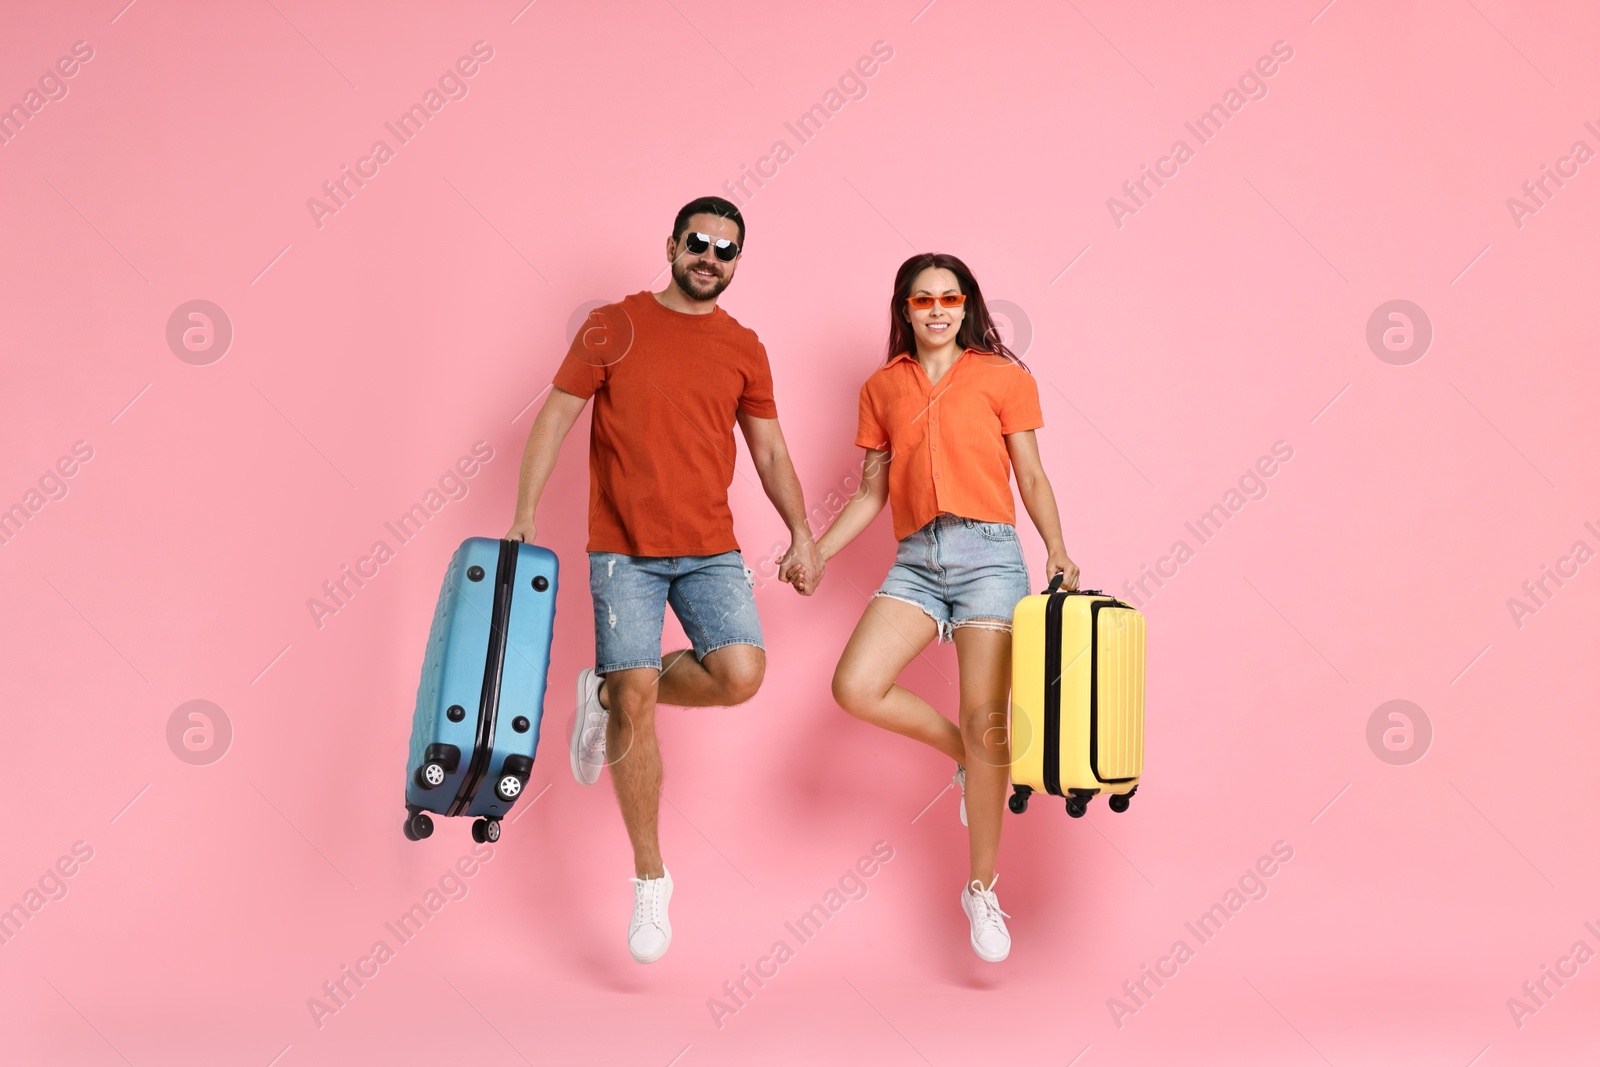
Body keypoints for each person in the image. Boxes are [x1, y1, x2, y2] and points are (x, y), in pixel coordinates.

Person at [506, 196, 823, 964]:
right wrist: (523, 513)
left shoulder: (744, 345)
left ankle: (609, 688)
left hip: (711, 548)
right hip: (623, 549)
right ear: (674, 245)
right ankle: (650, 877)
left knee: (740, 672)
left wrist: (803, 533)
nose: (711, 257)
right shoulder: (615, 324)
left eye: (726, 249)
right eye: (699, 243)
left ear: (737, 261)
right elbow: (553, 417)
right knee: (643, 692)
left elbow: (771, 453)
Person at [785, 252, 1078, 963]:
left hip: (989, 559)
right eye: (923, 300)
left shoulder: (1004, 377)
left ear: (968, 303)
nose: (938, 310)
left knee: (990, 725)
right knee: (855, 685)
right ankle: (961, 756)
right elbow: (869, 493)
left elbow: (1031, 475)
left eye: (950, 298)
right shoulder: (882, 387)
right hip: (917, 560)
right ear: (905, 309)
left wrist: (1059, 548)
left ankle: (980, 888)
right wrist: (817, 551)